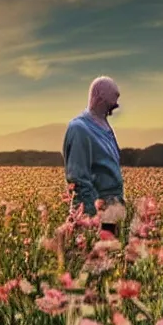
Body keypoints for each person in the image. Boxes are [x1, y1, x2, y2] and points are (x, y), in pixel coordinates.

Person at [62, 76, 125, 235]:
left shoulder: (105, 127)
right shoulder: (79, 129)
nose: (115, 107)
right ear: (99, 97)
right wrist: (89, 220)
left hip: (111, 214)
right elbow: (78, 180)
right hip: (94, 217)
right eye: (112, 103)